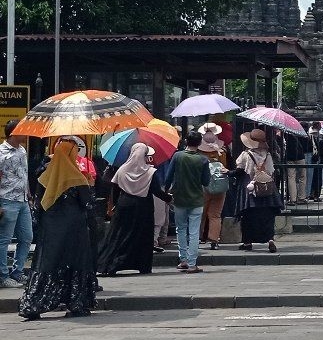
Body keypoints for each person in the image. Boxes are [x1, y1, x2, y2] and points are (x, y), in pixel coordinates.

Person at [18, 141, 98, 319]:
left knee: (47, 263)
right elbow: (88, 204)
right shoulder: (77, 178)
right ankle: (76, 304)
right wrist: (90, 186)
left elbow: (38, 206)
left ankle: (34, 305)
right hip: (74, 229)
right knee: (75, 263)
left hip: (51, 228)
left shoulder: (45, 177)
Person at [97, 143, 169, 276]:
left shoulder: (122, 170)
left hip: (124, 205)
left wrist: (112, 206)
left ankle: (111, 264)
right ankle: (142, 265)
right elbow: (157, 191)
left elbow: (115, 189)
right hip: (143, 207)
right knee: (142, 235)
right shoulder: (150, 172)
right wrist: (169, 198)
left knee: (119, 234)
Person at [166, 132, 211, 272]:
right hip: (196, 198)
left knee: (180, 228)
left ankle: (183, 259)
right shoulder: (203, 159)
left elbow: (168, 177)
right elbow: (206, 181)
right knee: (194, 231)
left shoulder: (177, 156)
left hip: (179, 198)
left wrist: (166, 191)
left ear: (186, 141)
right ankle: (192, 263)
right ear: (199, 143)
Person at [231, 128, 282, 252]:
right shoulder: (268, 155)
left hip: (250, 188)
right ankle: (270, 239)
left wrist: (228, 173)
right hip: (266, 188)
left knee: (248, 216)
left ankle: (248, 242)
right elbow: (271, 171)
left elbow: (239, 170)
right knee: (267, 216)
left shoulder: (246, 154)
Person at [0, 119, 32, 288]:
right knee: (4, 240)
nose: (26, 134)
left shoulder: (22, 151)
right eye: (23, 131)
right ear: (13, 133)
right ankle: (3, 276)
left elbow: (24, 174)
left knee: (27, 237)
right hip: (7, 200)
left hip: (23, 200)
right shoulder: (1, 152)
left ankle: (17, 272)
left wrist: (28, 193)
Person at [197, 123, 229, 248]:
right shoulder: (222, 151)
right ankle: (214, 240)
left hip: (203, 185)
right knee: (215, 214)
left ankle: (199, 237)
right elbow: (226, 166)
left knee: (201, 212)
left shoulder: (199, 152)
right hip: (220, 186)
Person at [282, 125, 308, 205]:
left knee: (291, 177)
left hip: (289, 156)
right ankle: (301, 197)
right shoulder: (300, 132)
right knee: (302, 177)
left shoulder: (285, 132)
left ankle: (292, 199)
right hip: (300, 156)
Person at [306, 122, 323, 200]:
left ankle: (310, 193)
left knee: (310, 177)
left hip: (311, 159)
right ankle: (316, 195)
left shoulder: (308, 136)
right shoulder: (322, 137)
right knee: (318, 177)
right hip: (319, 158)